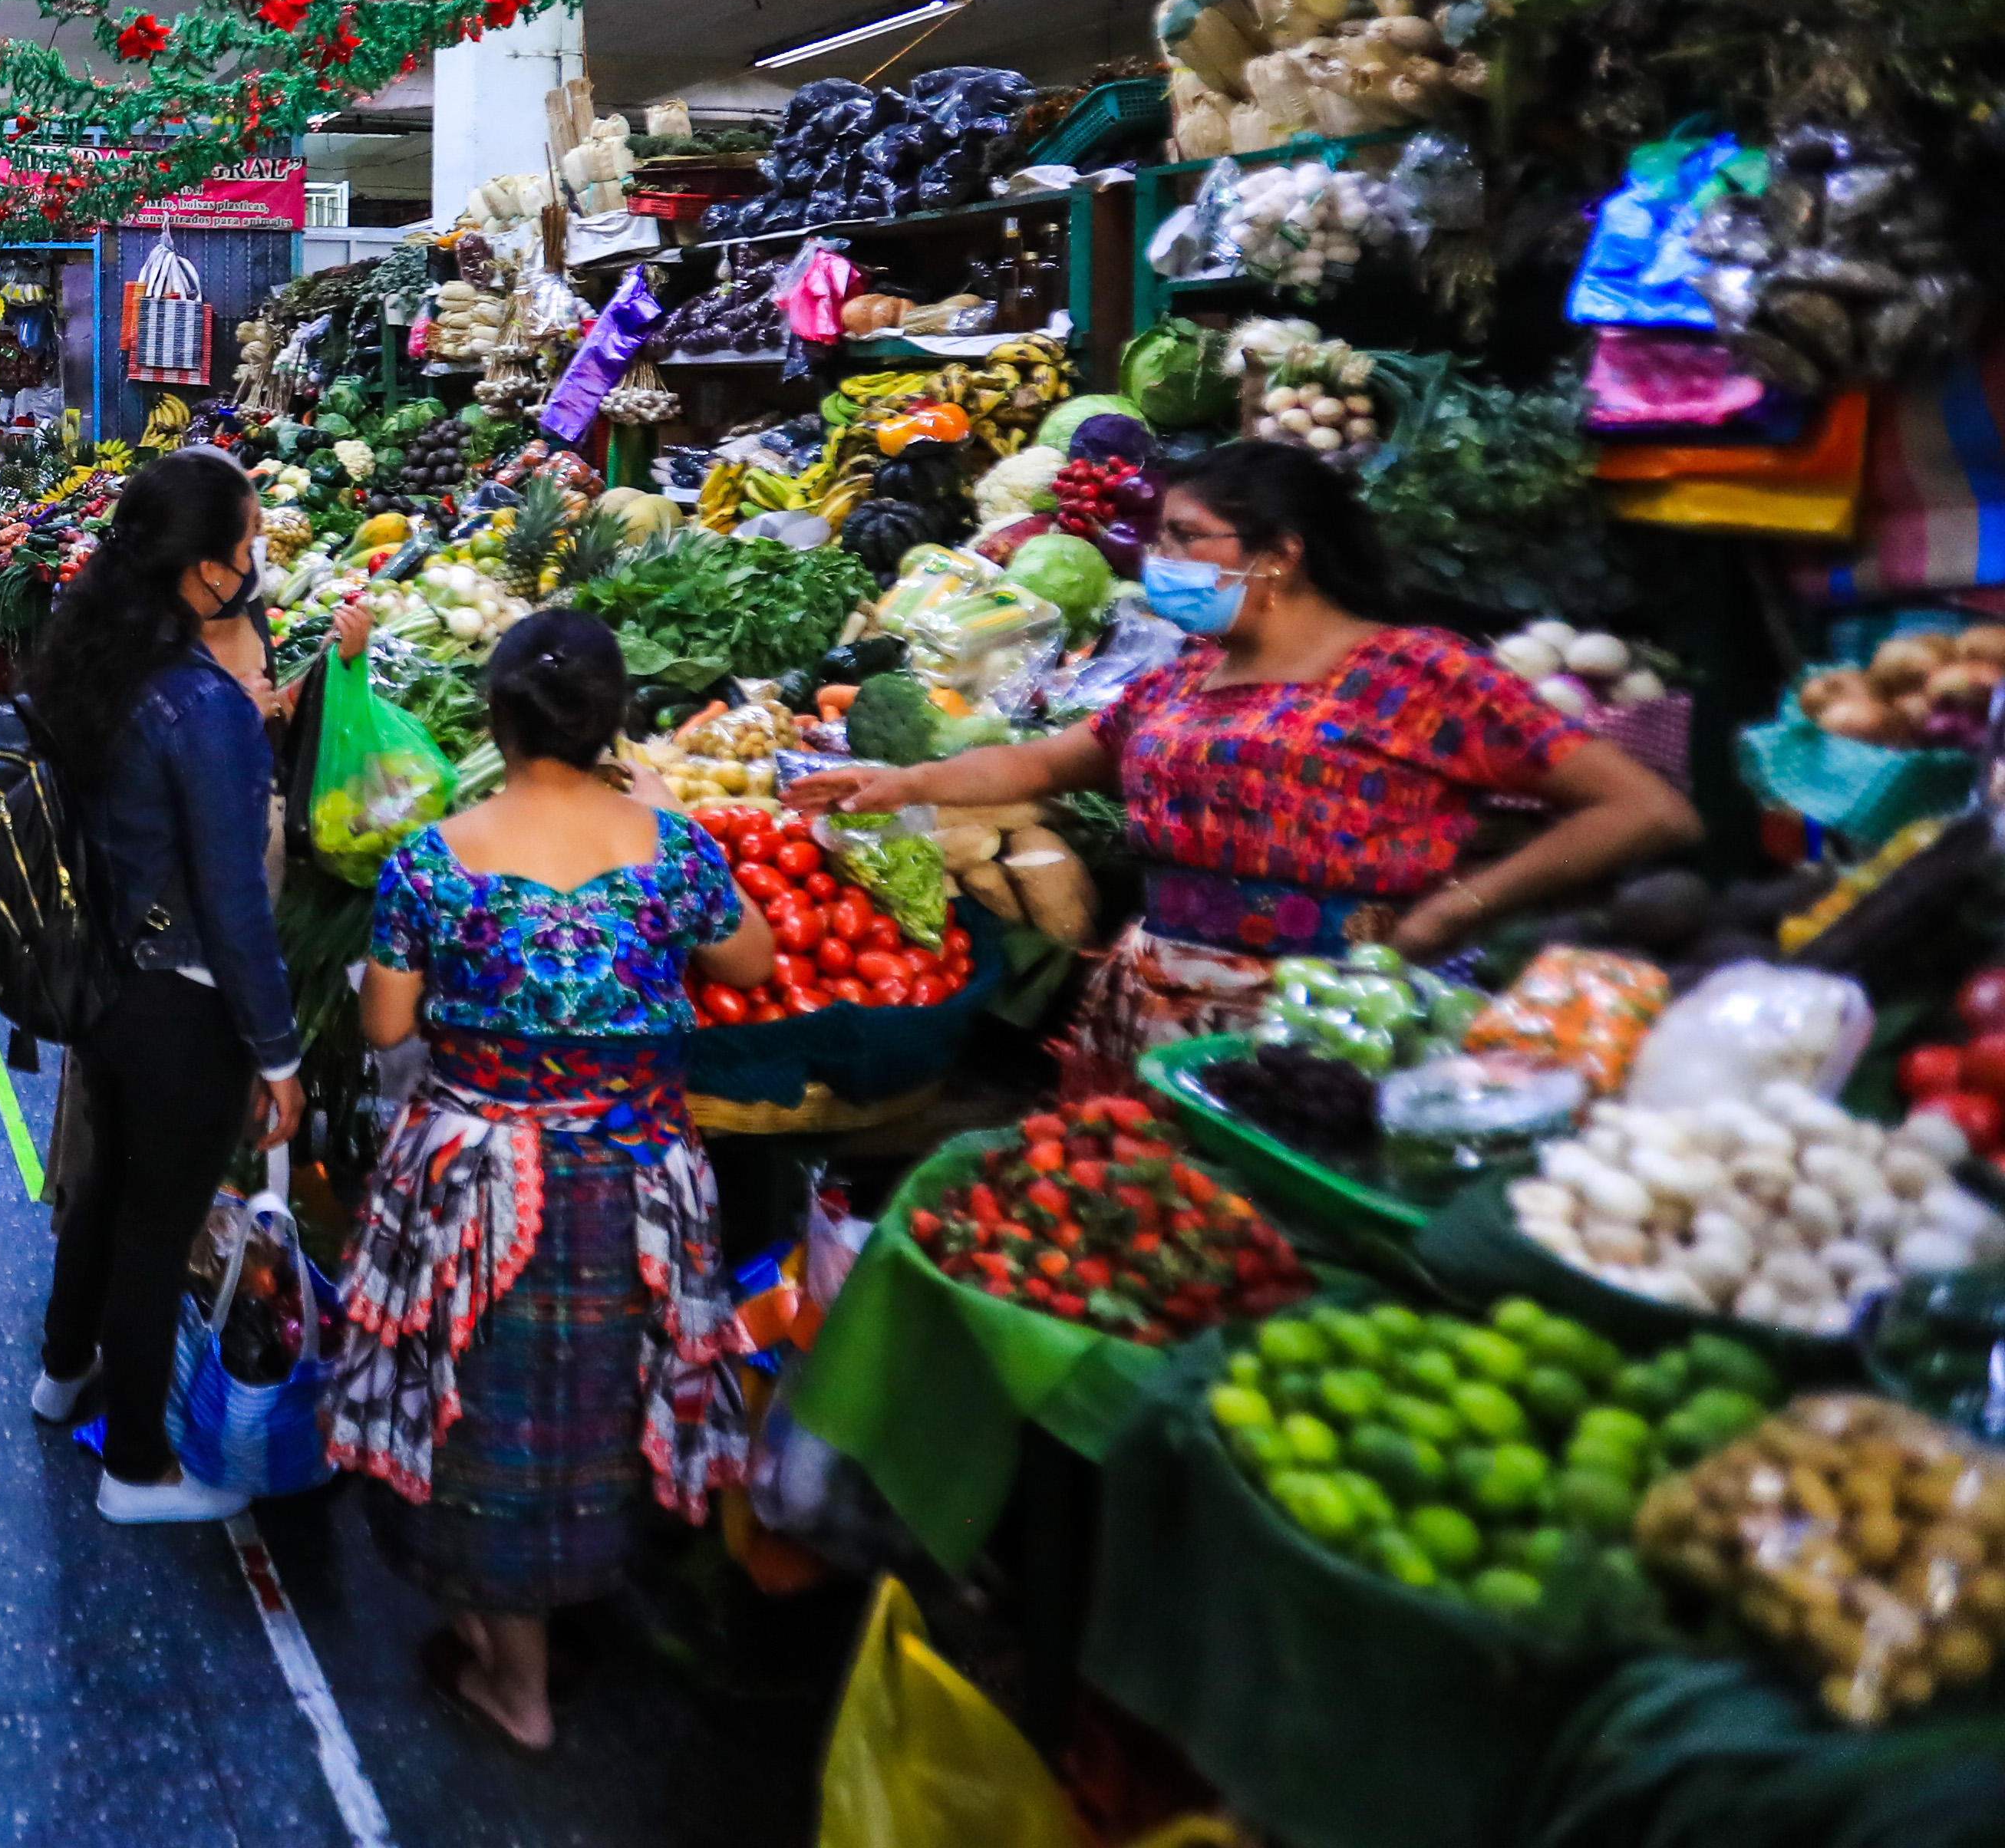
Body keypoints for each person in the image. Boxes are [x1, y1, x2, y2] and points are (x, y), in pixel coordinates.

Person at [791, 439, 1699, 1089]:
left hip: (1327, 1020)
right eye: (1161, 539)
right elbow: (1041, 766)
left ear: (1279, 555)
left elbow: (1644, 811)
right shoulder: (1184, 677)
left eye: (1187, 537)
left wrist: (1453, 913)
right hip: (1156, 1007)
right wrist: (903, 784)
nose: (1161, 560)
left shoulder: (1415, 673)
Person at [317, 609, 773, 1757]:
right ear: (613, 722)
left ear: (497, 721)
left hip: (477, 1191)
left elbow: (386, 1027)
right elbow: (752, 956)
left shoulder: (432, 861)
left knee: (486, 1421)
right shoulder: (676, 852)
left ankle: (509, 1677)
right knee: (605, 1407)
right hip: (638, 1182)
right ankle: (568, 1625)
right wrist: (661, 818)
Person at [25, 453, 306, 1527]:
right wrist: (276, 1053)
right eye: (246, 544)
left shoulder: (102, 662)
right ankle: (136, 1468)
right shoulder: (202, 705)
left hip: (105, 981)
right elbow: (234, 903)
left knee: (107, 1186)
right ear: (201, 571)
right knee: (157, 1225)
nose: (255, 561)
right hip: (182, 1003)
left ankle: (63, 1370)